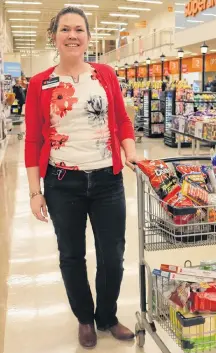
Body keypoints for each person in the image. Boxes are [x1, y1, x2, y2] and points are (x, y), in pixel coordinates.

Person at [24, 6, 138, 349]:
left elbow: (122, 120)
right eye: (65, 29)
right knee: (71, 255)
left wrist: (129, 151)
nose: (72, 35)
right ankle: (85, 320)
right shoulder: (39, 83)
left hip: (107, 181)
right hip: (62, 183)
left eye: (79, 29)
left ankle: (107, 316)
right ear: (54, 36)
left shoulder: (105, 74)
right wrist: (34, 191)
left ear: (88, 37)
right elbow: (33, 140)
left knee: (113, 254)